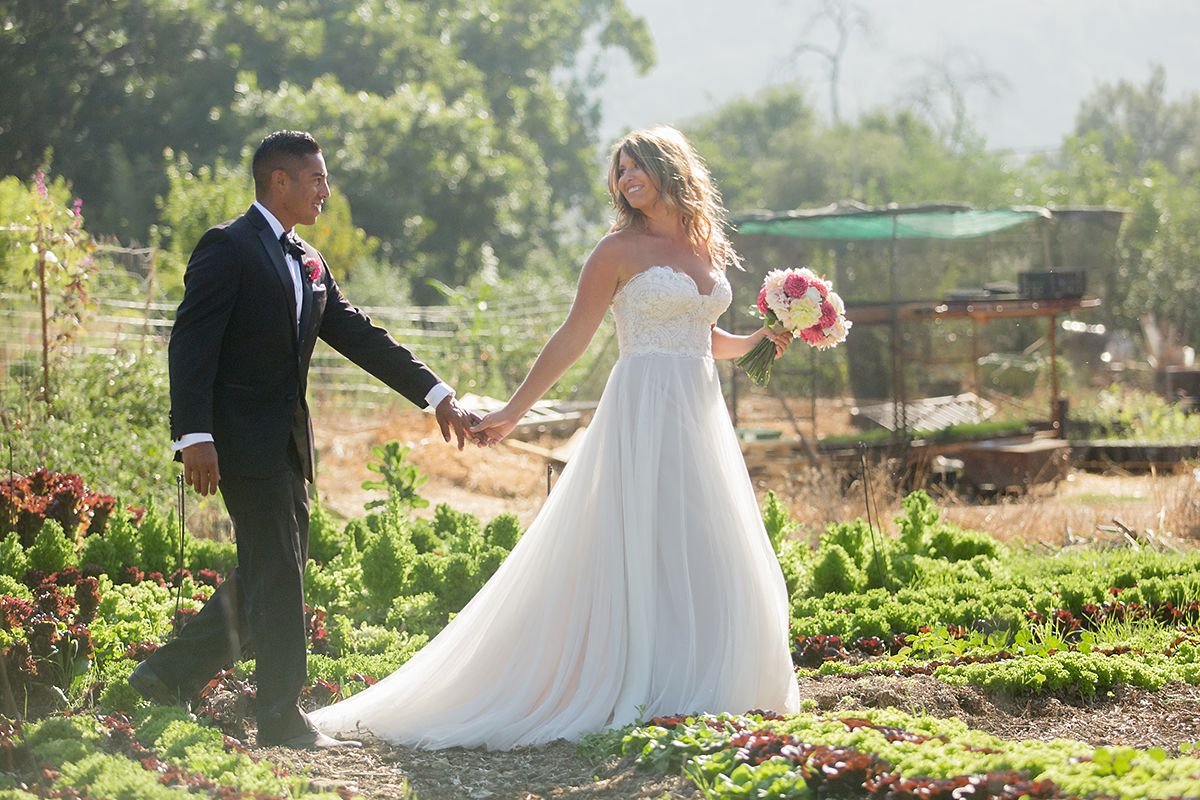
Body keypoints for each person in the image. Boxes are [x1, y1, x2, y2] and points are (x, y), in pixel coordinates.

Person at [308, 125, 800, 750]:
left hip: (699, 413)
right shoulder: (615, 251)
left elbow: (706, 339)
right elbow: (573, 338)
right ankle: (631, 677)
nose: (625, 181)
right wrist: (513, 411)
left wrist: (764, 338)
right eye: (620, 172)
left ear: (670, 169)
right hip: (642, 408)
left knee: (703, 536)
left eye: (635, 168)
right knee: (634, 538)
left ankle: (697, 679)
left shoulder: (705, 247)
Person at [128, 130, 481, 750]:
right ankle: (281, 719)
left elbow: (359, 336)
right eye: (316, 178)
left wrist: (435, 393)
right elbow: (190, 344)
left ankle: (163, 676)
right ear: (279, 181)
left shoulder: (309, 260)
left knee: (269, 572)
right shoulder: (227, 247)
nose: (325, 189)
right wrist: (194, 435)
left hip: (288, 447)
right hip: (235, 444)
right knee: (280, 577)